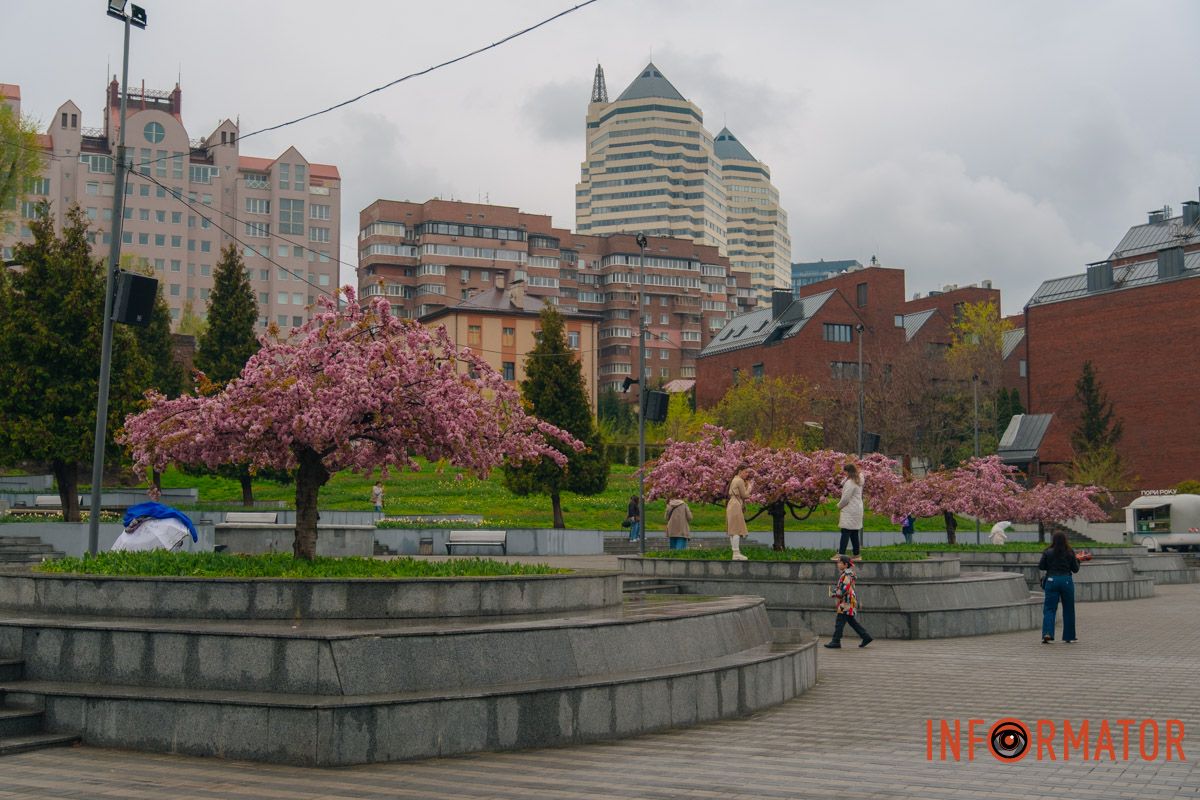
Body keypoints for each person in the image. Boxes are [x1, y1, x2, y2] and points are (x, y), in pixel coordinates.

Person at [1037, 531, 1091, 643]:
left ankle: (1047, 633)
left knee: (1049, 609)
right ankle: (1069, 636)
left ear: (1053, 540)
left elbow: (1041, 566)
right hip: (1066, 581)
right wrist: (1078, 560)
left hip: (1051, 581)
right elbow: (1075, 569)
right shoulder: (1070, 552)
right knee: (1068, 609)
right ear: (1065, 540)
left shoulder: (1047, 552)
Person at [824, 553, 873, 648]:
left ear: (845, 564)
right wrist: (835, 591)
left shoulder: (847, 574)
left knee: (840, 621)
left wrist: (834, 593)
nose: (838, 564)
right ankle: (866, 636)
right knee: (851, 621)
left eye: (840, 562)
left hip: (846, 601)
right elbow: (844, 587)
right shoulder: (847, 574)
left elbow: (844, 589)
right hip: (848, 600)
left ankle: (836, 641)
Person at [726, 464, 752, 561]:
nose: (747, 474)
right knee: (736, 530)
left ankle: (735, 552)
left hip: (732, 504)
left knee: (732, 530)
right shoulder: (739, 480)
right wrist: (749, 487)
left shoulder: (734, 479)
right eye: (745, 472)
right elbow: (745, 495)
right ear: (740, 471)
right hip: (736, 505)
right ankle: (736, 553)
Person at [837, 463, 864, 557]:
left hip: (850, 509)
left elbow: (845, 498)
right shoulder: (858, 480)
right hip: (857, 509)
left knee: (845, 531)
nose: (845, 474)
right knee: (854, 532)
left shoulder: (850, 483)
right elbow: (843, 483)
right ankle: (856, 554)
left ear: (848, 472)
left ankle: (841, 554)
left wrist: (839, 506)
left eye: (845, 472)